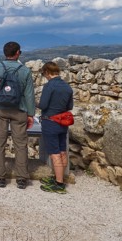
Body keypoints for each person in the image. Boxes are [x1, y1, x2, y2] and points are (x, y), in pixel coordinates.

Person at [0, 41, 36, 189]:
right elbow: (29, 95)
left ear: (5, 53)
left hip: (0, 109)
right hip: (20, 111)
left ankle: (0, 176)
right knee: (20, 144)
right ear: (18, 52)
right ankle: (22, 178)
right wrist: (31, 114)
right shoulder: (25, 70)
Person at [38, 62, 73, 194]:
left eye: (43, 74)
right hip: (62, 122)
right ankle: (60, 178)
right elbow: (70, 106)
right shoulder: (67, 87)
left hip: (50, 122)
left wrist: (34, 103)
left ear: (47, 72)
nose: (44, 76)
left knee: (54, 153)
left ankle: (59, 184)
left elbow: (43, 105)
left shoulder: (49, 86)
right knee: (62, 151)